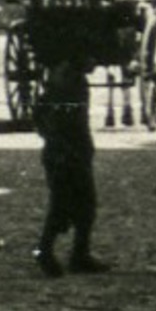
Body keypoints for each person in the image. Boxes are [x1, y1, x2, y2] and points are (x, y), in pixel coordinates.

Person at [32, 51, 106, 278]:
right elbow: (62, 119)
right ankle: (47, 250)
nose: (94, 62)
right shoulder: (68, 80)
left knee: (77, 203)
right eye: (90, 57)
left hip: (65, 149)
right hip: (66, 151)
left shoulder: (66, 76)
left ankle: (78, 253)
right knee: (67, 203)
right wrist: (66, 147)